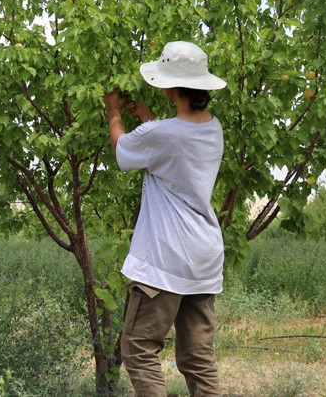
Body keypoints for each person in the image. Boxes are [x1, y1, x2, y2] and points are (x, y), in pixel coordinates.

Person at [103, 40, 227, 397]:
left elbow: (125, 152)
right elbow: (168, 139)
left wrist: (114, 111)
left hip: (166, 259)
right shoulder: (211, 128)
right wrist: (142, 113)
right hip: (203, 260)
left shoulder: (164, 134)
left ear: (171, 89)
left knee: (139, 350)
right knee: (198, 359)